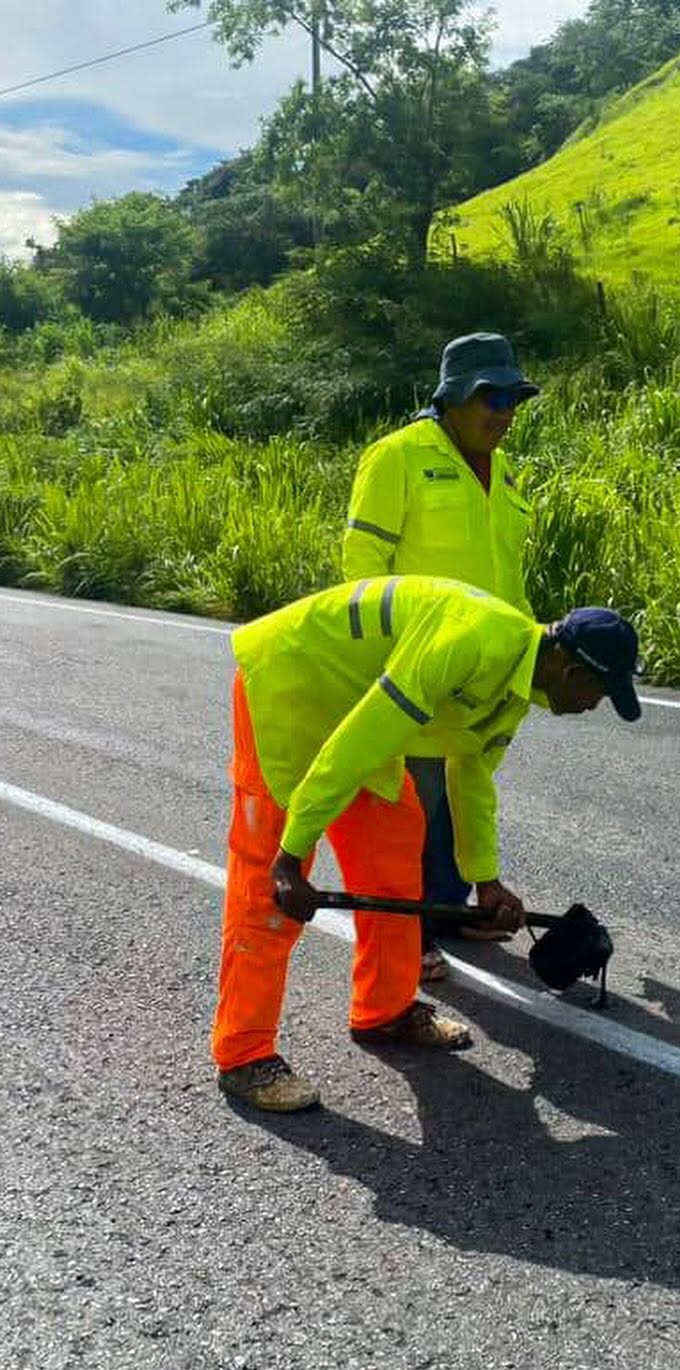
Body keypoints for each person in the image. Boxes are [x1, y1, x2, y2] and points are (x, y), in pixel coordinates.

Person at [214, 574, 642, 1114]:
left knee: (395, 848)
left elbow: (472, 776)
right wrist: (291, 855)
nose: (594, 705)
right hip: (293, 685)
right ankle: (244, 1055)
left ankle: (383, 1011)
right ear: (572, 671)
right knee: (269, 887)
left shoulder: (517, 683)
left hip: (356, 703)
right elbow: (358, 742)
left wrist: (486, 881)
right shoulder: (469, 642)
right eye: (600, 693)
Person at [342, 333, 539, 981]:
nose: (504, 413)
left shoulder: (503, 473)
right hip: (417, 665)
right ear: (452, 396)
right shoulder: (398, 456)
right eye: (491, 397)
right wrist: (388, 653)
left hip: (482, 674)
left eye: (513, 399)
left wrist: (524, 651)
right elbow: (362, 563)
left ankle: (448, 910)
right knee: (414, 807)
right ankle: (409, 933)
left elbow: (507, 577)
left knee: (461, 796)